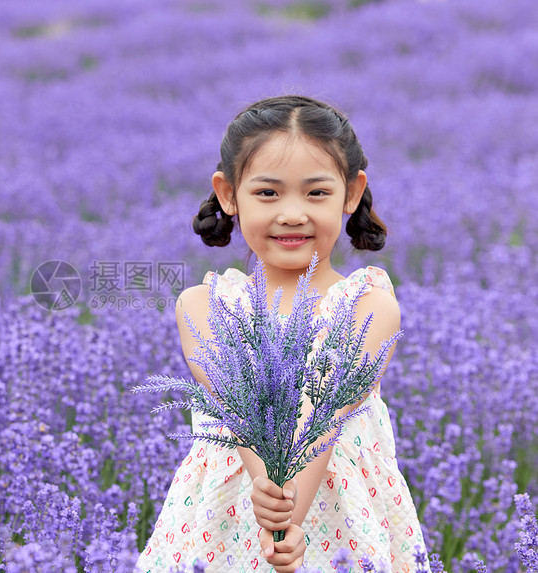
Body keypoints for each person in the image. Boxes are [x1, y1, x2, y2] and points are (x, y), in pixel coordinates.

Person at [135, 95, 426, 573]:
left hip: (338, 523)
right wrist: (273, 498)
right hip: (223, 521)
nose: (292, 213)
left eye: (316, 193)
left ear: (352, 194)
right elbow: (239, 405)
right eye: (267, 193)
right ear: (228, 194)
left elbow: (325, 414)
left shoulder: (368, 304)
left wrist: (290, 512)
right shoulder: (205, 307)